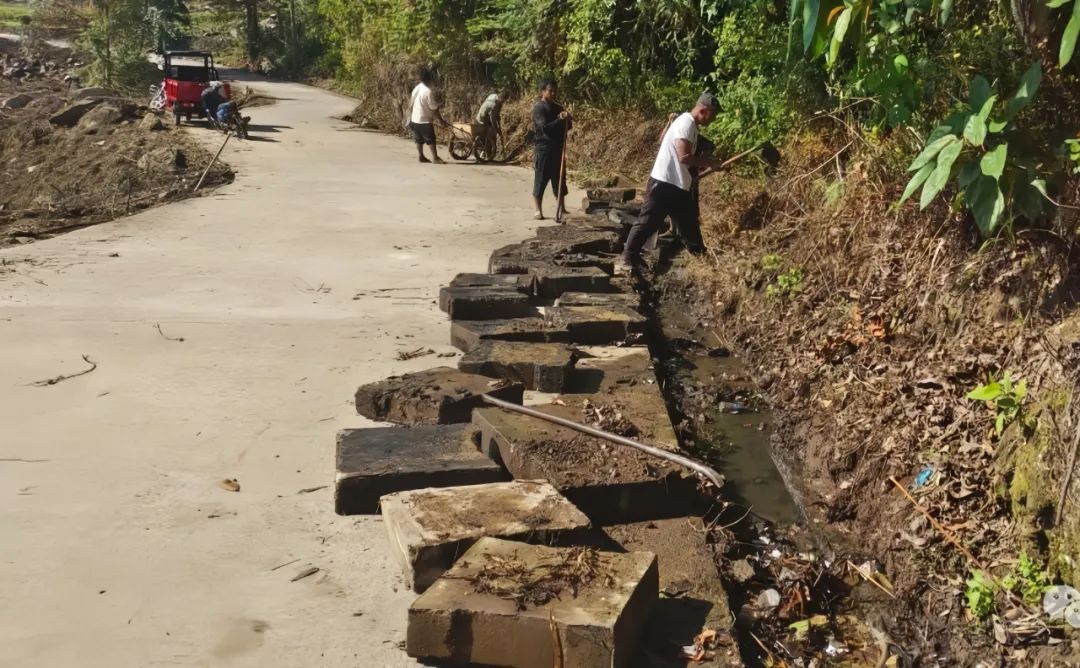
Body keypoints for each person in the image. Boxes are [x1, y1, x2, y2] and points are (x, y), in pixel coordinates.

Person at [617, 93, 725, 273]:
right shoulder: (686, 124)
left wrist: (707, 164)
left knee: (689, 223)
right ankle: (629, 256)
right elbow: (684, 157)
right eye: (712, 116)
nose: (712, 120)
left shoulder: (689, 124)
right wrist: (709, 163)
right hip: (664, 183)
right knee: (648, 221)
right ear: (703, 110)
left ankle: (701, 258)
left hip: (678, 184)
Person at [531, 79, 571, 220]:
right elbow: (545, 128)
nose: (553, 93)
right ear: (543, 91)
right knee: (541, 179)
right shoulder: (539, 108)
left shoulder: (558, 108)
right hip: (544, 148)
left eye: (554, 90)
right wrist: (559, 120)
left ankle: (561, 207)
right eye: (550, 90)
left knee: (559, 179)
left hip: (558, 148)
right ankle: (538, 210)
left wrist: (567, 118)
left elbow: (568, 126)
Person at [408, 66, 448, 164]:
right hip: (424, 120)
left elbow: (411, 103)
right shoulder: (428, 91)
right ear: (428, 79)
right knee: (431, 139)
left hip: (414, 119)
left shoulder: (417, 88)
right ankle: (435, 158)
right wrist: (441, 120)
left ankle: (421, 156)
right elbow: (434, 108)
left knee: (419, 139)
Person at [475, 89, 507, 156]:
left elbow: (497, 114)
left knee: (490, 134)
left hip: (483, 116)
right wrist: (496, 129)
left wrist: (499, 123)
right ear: (501, 98)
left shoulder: (493, 95)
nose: (503, 103)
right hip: (482, 119)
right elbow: (492, 119)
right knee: (491, 135)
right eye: (503, 101)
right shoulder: (493, 105)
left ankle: (486, 153)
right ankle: (486, 153)